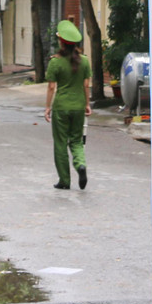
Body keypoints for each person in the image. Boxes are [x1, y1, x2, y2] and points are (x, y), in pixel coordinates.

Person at [45, 19, 91, 190]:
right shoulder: (85, 61)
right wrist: (87, 104)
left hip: (61, 107)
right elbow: (86, 85)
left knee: (60, 143)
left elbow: (51, 86)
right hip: (79, 105)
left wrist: (47, 107)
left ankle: (64, 180)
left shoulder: (55, 62)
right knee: (77, 141)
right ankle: (81, 165)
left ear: (61, 42)